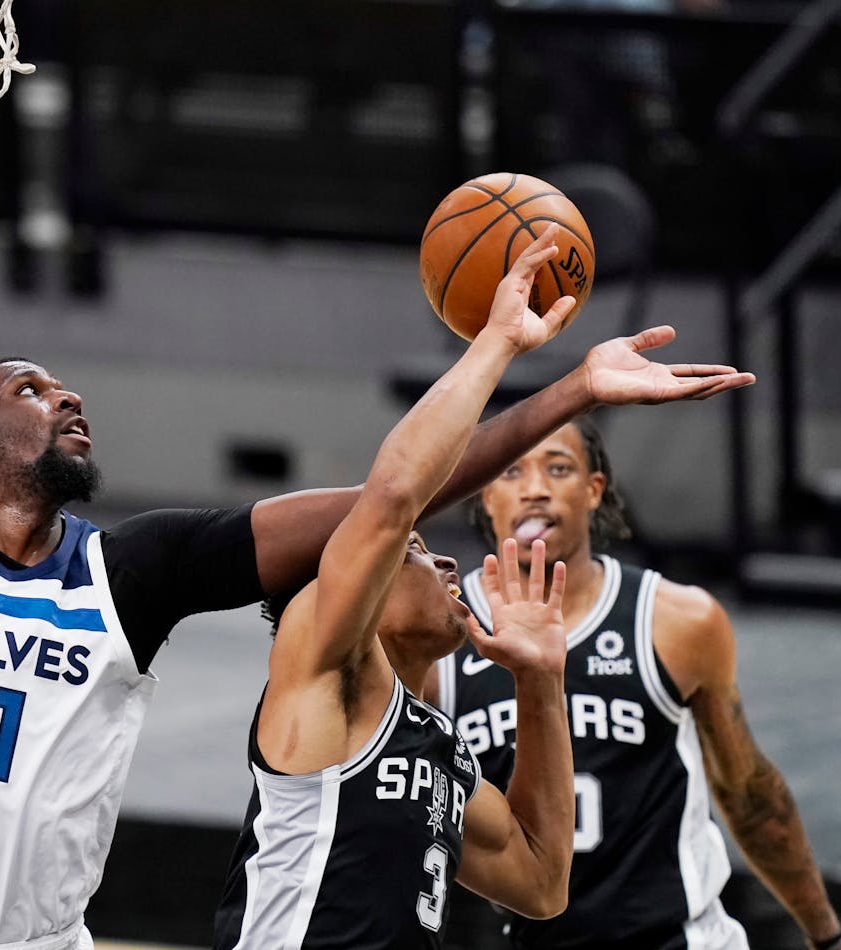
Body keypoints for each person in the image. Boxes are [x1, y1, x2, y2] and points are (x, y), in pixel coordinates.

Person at [0, 45, 754, 950]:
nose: (68, 393)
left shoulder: (128, 574)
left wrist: (565, 388)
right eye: (30, 388)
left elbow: (393, 492)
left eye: (68, 381)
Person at [214, 231, 581, 949]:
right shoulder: (321, 664)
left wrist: (540, 682)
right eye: (413, 553)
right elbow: (389, 500)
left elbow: (540, 883)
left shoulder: (436, 742)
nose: (446, 565)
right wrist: (499, 346)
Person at [428, 420, 841, 950]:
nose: (535, 488)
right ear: (486, 494)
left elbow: (749, 796)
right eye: (512, 471)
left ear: (593, 490)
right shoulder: (441, 637)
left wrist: (827, 936)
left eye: (558, 468)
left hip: (680, 939)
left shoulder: (677, 621)